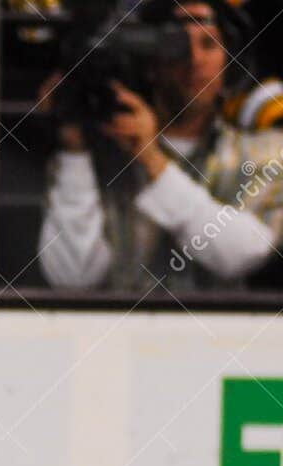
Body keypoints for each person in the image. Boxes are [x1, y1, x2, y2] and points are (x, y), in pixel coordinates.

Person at [38, 0, 283, 289]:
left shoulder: (262, 154)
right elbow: (72, 278)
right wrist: (74, 150)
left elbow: (244, 253)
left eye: (208, 44)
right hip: (122, 319)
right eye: (175, 44)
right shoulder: (101, 156)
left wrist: (151, 158)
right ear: (149, 59)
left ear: (229, 62)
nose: (193, 59)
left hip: (217, 321)